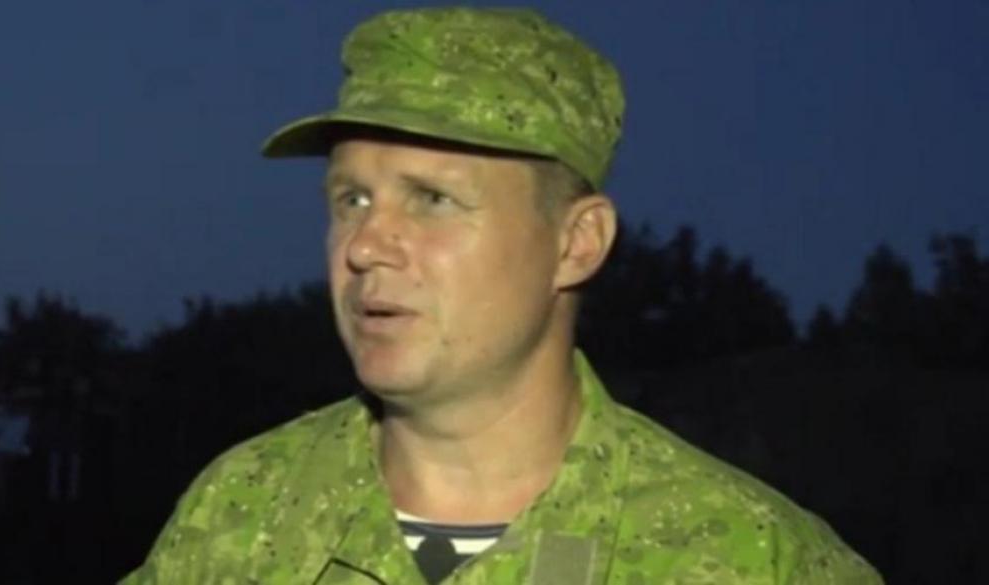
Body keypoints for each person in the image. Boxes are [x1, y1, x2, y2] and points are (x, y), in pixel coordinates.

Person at [121, 7, 882, 584]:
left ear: (576, 243)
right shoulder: (238, 517)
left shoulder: (749, 557)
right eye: (352, 199)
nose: (364, 245)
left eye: (432, 199)